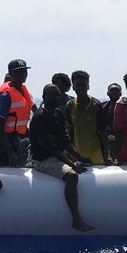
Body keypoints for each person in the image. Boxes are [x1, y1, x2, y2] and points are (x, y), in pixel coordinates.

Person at [29, 84, 94, 231]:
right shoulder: (40, 117)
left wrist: (80, 157)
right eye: (52, 95)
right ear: (44, 97)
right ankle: (76, 219)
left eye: (58, 95)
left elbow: (64, 140)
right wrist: (72, 164)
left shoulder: (58, 113)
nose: (56, 98)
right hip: (43, 160)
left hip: (57, 156)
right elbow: (50, 148)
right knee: (72, 176)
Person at [0, 59, 34, 166]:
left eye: (24, 71)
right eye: (18, 72)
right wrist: (11, 154)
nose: (23, 74)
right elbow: (0, 127)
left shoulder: (22, 90)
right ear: (11, 74)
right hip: (5, 143)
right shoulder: (5, 95)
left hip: (16, 138)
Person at [65, 71, 105, 165]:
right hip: (77, 155)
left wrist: (106, 157)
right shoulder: (70, 106)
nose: (81, 88)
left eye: (83, 85)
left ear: (88, 86)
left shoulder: (96, 105)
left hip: (96, 154)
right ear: (73, 87)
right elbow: (69, 131)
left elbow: (103, 132)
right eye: (78, 85)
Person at [98, 82, 123, 166]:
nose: (114, 92)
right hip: (106, 139)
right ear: (108, 93)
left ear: (121, 93)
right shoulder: (102, 106)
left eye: (117, 90)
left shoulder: (126, 105)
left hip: (121, 138)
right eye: (112, 90)